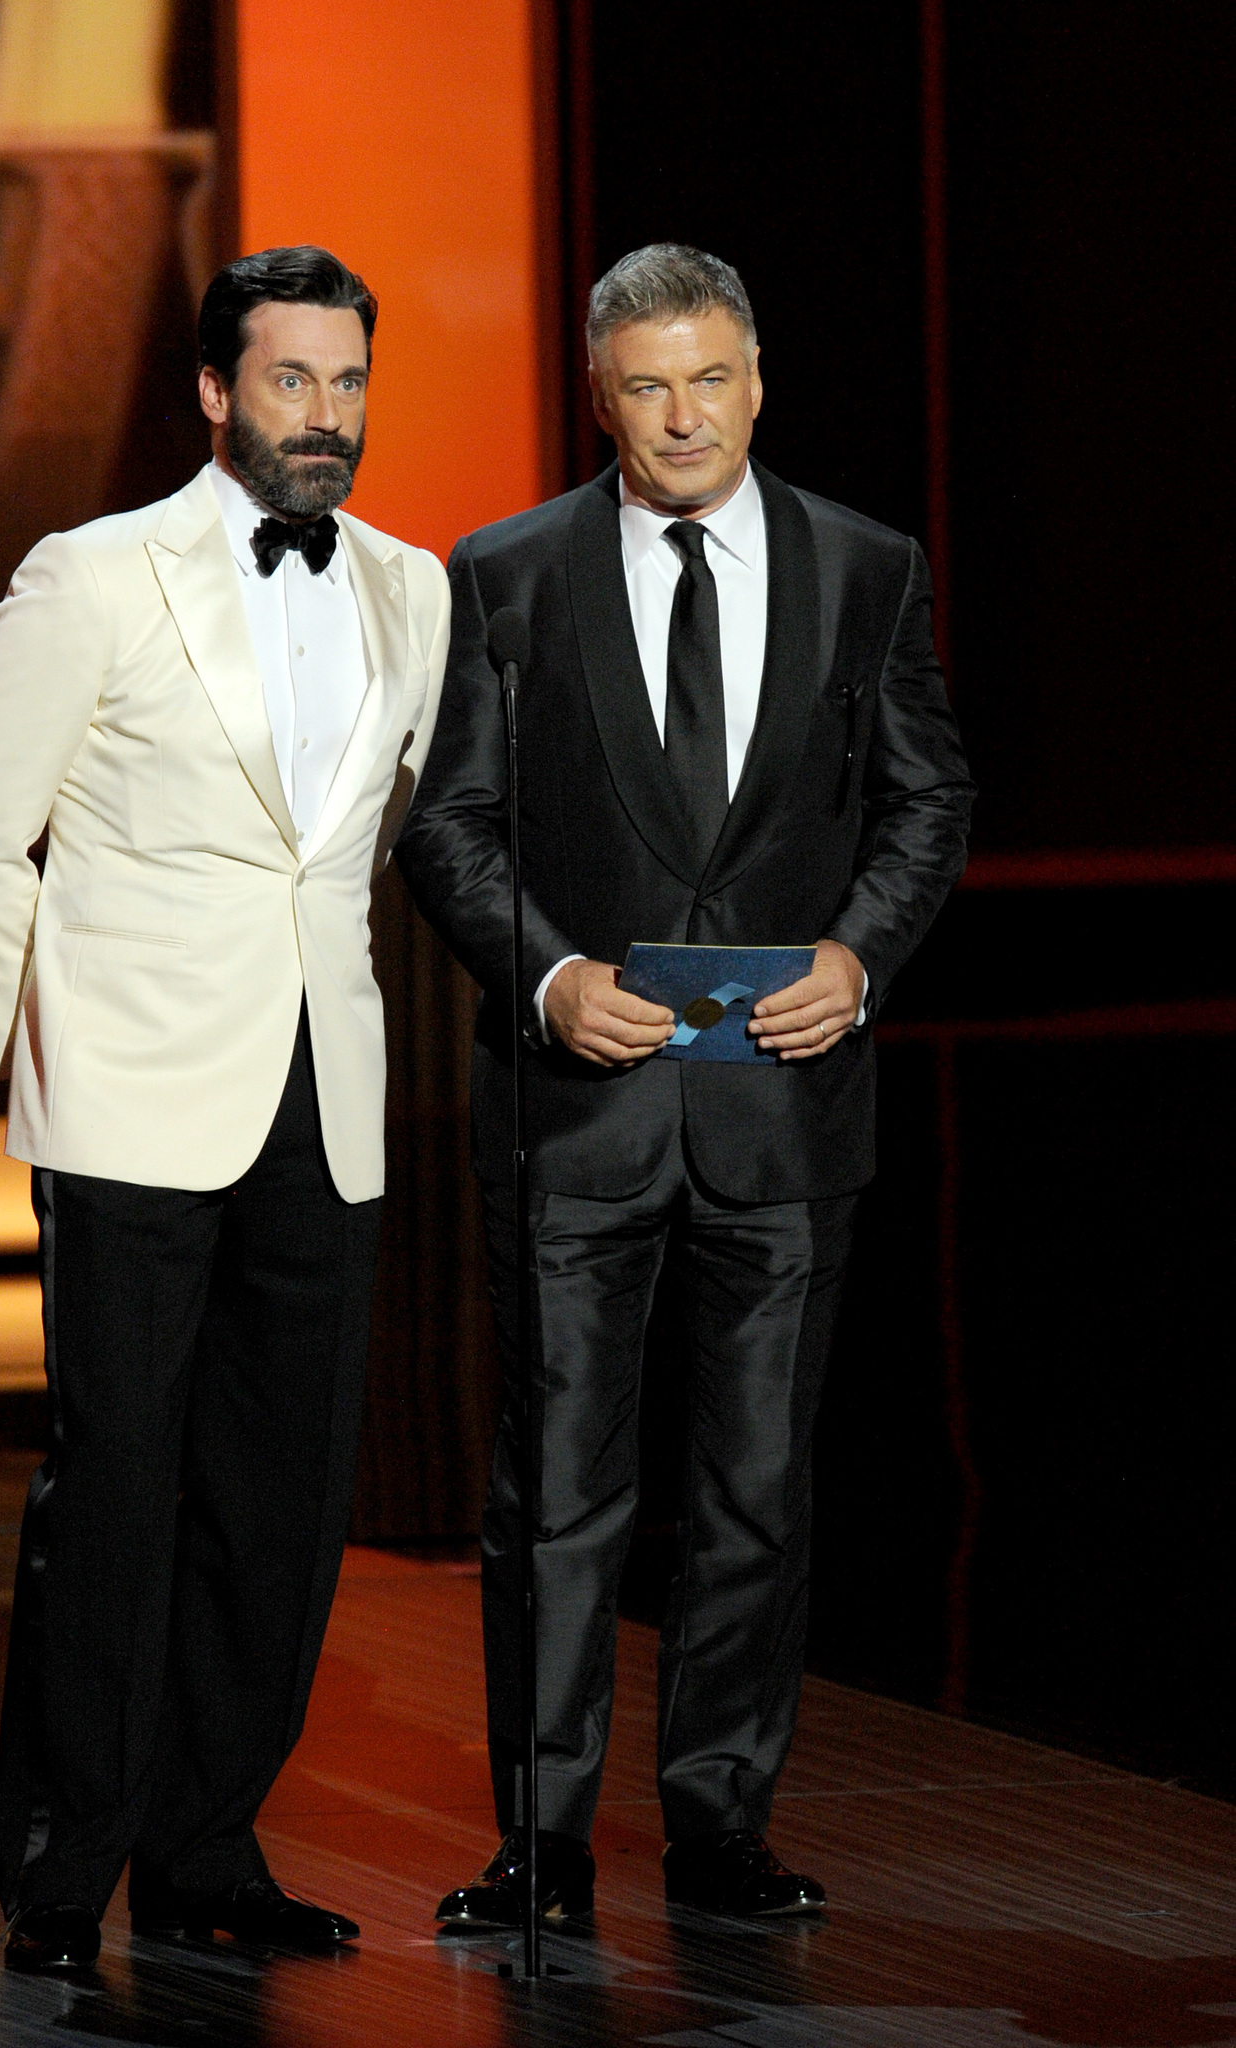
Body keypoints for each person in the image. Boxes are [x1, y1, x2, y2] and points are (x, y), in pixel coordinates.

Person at [397, 244, 973, 1928]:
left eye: (708, 379)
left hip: (784, 1117)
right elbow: (450, 823)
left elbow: (927, 799)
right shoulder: (506, 572)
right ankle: (541, 1842)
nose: (680, 416)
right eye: (646, 386)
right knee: (555, 1493)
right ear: (601, 396)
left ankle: (719, 1827)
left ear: (756, 379)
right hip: (574, 1113)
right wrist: (554, 978)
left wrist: (857, 962)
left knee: (752, 1490)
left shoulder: (866, 567)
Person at [0, 246, 450, 1973]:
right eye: (291, 380)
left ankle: (208, 1851)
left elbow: (354, 848)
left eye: (349, 382)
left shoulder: (409, 587)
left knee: (282, 1498)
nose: (327, 415)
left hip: (325, 1090)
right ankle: (65, 1877)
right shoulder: (91, 575)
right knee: (120, 1486)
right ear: (217, 393)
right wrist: (46, 1055)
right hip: (129, 1105)